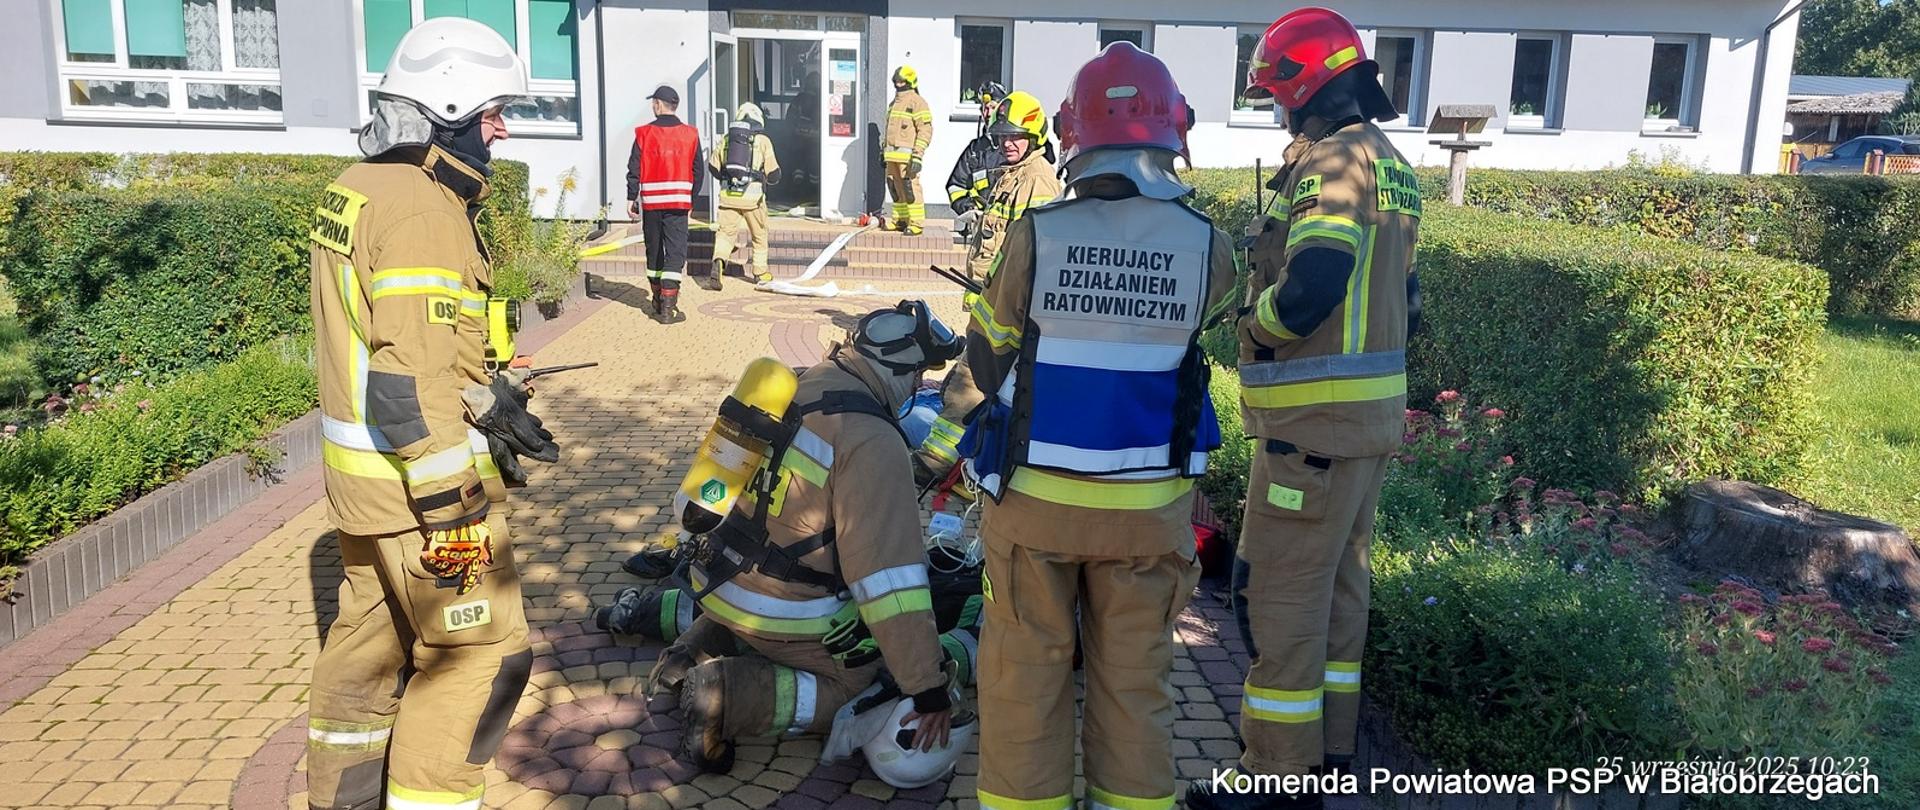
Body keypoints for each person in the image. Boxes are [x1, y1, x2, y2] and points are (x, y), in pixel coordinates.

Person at [963, 41, 1236, 810]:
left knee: (1024, 682)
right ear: (1172, 132)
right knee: (1133, 688)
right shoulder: (1209, 245)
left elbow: (988, 354)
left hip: (1034, 504)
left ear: (1073, 135)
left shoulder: (1038, 234)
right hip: (1149, 518)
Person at [305, 17, 562, 810]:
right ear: (446, 108)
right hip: (423, 502)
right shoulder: (422, 209)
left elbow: (400, 348)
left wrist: (482, 387)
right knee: (479, 661)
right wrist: (455, 512)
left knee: (365, 660)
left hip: (366, 496)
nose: (502, 127)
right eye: (491, 112)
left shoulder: (358, 186)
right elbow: (403, 385)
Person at [1185, 8, 1422, 810]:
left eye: (1276, 95)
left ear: (1302, 88)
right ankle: (1326, 755)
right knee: (1338, 593)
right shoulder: (1390, 163)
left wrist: (1256, 326)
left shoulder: (1333, 165)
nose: (1277, 111)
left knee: (1279, 593)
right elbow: (1409, 301)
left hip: (1309, 432)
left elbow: (1317, 279)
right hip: (1364, 429)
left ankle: (1274, 780)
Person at [641, 302, 969, 777]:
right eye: (919, 375)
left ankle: (688, 652)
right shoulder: (873, 440)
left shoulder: (800, 383)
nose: (918, 387)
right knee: (863, 680)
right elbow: (888, 582)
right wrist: (926, 686)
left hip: (720, 576)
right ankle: (725, 695)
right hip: (783, 609)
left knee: (770, 597)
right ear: (898, 370)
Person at [913, 90, 1061, 486]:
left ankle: (931, 463)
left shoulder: (1037, 181)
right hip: (992, 299)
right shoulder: (1012, 174)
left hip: (1007, 309)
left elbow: (1034, 253)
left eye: (1016, 136)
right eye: (1002, 136)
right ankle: (977, 463)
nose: (1007, 143)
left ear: (1036, 137)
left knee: (968, 382)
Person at [627, 85, 705, 322]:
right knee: (675, 252)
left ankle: (657, 298)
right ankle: (669, 307)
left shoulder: (643, 134)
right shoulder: (691, 134)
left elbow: (634, 168)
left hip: (651, 204)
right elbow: (698, 171)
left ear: (659, 105)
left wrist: (632, 198)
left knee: (654, 250)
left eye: (654, 103)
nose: (652, 106)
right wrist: (690, 200)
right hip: (678, 204)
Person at [708, 102, 782, 286]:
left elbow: (713, 167)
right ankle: (760, 272)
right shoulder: (763, 141)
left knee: (725, 233)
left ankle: (719, 261)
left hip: (728, 197)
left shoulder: (726, 139)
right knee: (759, 235)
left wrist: (727, 178)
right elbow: (774, 173)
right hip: (753, 199)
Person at [945, 80, 1008, 239]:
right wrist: (969, 208)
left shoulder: (1013, 147)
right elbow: (955, 186)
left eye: (992, 108)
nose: (987, 113)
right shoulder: (975, 150)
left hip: (1010, 231)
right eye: (984, 108)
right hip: (981, 232)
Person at [884, 66, 933, 235]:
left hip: (908, 158)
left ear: (910, 81)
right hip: (891, 156)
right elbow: (889, 130)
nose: (898, 83)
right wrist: (883, 152)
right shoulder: (894, 104)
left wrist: (918, 156)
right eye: (896, 81)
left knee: (910, 188)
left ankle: (917, 223)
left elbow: (925, 131)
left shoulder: (917, 102)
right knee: (894, 188)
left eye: (901, 80)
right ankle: (900, 220)